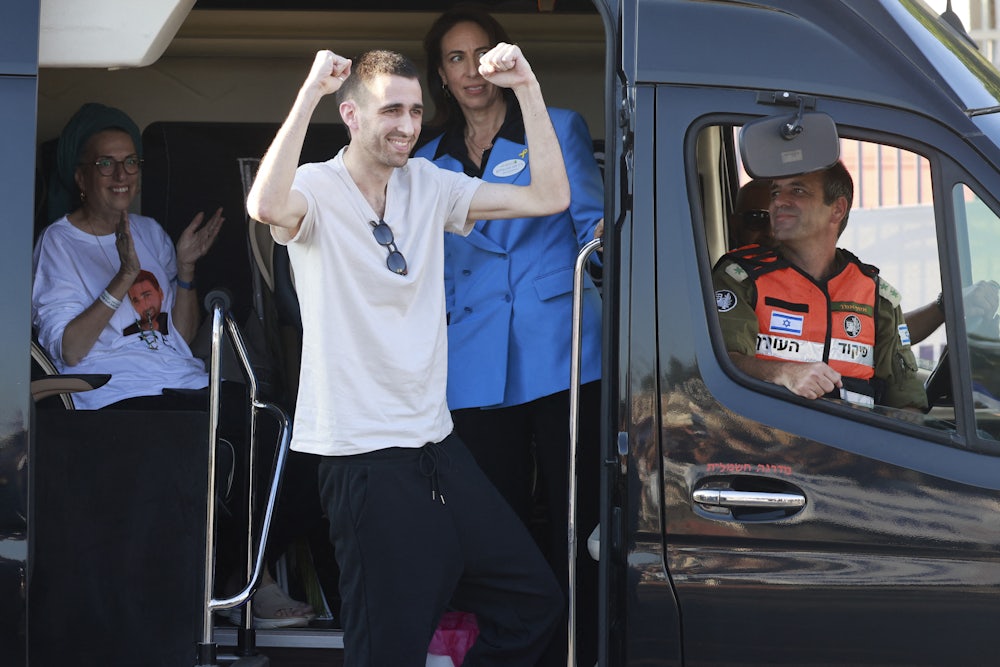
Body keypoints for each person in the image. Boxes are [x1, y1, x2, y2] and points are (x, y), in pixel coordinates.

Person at [246, 44, 568, 665]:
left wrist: (527, 85)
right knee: (387, 648)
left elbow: (549, 197)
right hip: (363, 459)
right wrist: (309, 92)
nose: (406, 125)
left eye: (416, 111)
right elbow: (263, 206)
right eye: (391, 110)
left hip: (436, 450)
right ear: (352, 116)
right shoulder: (315, 188)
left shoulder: (429, 183)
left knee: (533, 601)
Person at [31, 102, 314, 628]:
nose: (122, 176)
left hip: (182, 384)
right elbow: (68, 351)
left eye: (131, 162)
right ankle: (246, 583)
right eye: (106, 164)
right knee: (207, 452)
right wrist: (123, 278)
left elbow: (179, 339)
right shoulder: (58, 244)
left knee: (291, 442)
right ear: (80, 175)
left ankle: (237, 574)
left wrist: (183, 270)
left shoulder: (151, 233)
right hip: (116, 397)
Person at [415, 6, 603, 665]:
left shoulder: (554, 128)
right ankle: (519, 648)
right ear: (441, 74)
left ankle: (581, 648)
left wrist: (608, 255)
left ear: (504, 59)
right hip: (469, 355)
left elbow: (592, 227)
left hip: (559, 346)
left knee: (575, 516)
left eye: (482, 54)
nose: (471, 70)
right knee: (495, 524)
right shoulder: (425, 157)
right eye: (456, 58)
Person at [714, 161, 927, 409]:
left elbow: (906, 403)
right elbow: (719, 362)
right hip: (762, 441)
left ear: (837, 209)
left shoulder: (877, 296)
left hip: (855, 444)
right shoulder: (740, 278)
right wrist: (785, 373)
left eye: (797, 191)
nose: (778, 201)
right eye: (775, 192)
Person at [729, 179, 1000, 346]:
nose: (771, 230)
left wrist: (944, 306)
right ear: (733, 224)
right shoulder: (724, 286)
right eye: (756, 219)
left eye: (784, 218)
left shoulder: (835, 280)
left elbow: (890, 337)